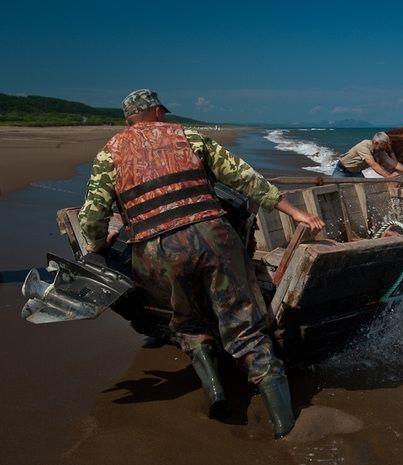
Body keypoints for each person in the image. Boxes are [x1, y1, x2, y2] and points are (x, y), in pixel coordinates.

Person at [78, 89, 325, 438]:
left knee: (187, 322)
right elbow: (245, 179)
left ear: (129, 119)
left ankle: (215, 393)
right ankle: (285, 427)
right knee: (247, 328)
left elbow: (92, 216)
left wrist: (99, 244)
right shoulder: (188, 136)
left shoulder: (110, 152)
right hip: (213, 239)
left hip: (155, 252)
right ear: (158, 112)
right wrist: (296, 212)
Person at [332, 131, 403, 177]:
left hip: (356, 172)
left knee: (364, 192)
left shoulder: (379, 150)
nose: (385, 148)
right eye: (384, 145)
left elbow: (393, 163)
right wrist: (389, 177)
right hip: (341, 171)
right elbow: (373, 165)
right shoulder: (363, 146)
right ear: (376, 143)